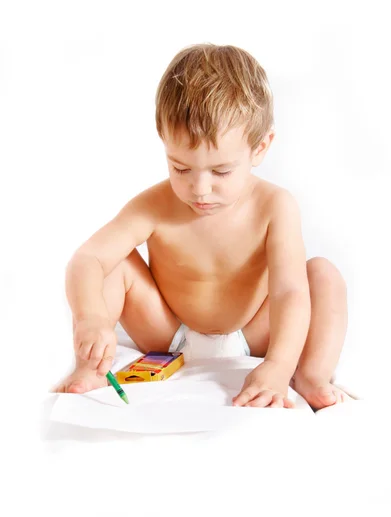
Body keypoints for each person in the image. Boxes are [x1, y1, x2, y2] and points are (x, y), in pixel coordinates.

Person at [53, 43, 348, 411]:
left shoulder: (275, 206)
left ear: (261, 147)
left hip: (252, 333)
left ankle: (312, 375)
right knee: (114, 263)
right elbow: (87, 260)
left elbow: (289, 292)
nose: (200, 189)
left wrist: (277, 364)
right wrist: (91, 319)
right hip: (166, 333)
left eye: (221, 171)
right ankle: (92, 367)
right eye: (180, 168)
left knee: (322, 275)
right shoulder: (154, 205)